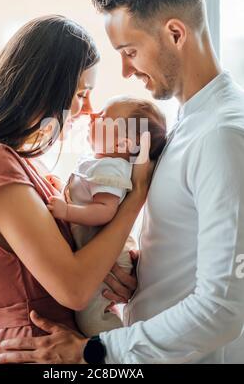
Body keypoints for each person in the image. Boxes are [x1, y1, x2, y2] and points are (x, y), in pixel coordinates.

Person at [0, 0, 244, 364]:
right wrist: (135, 273)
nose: (126, 71)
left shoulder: (222, 136)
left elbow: (222, 308)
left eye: (130, 51)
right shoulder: (187, 125)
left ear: (176, 33)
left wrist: (96, 350)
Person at [0, 15, 152, 363]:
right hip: (32, 350)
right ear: (43, 88)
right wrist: (136, 196)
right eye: (81, 94)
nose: (88, 110)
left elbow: (77, 272)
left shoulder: (27, 166)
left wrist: (113, 275)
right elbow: (73, 288)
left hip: (58, 349)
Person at [47, 96, 167, 337]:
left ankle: (114, 347)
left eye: (103, 117)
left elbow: (105, 210)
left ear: (123, 143)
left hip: (111, 259)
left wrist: (67, 210)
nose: (93, 116)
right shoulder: (98, 162)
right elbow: (87, 194)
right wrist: (62, 188)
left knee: (93, 318)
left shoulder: (111, 168)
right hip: (98, 251)